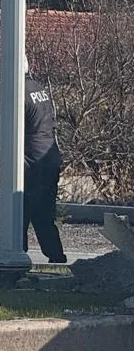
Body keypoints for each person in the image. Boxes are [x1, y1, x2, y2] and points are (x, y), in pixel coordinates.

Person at [23, 54, 66, 264]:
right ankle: (56, 256)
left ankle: (16, 256)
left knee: (17, 213)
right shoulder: (37, 88)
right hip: (48, 157)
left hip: (30, 161)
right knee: (43, 215)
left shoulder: (17, 93)